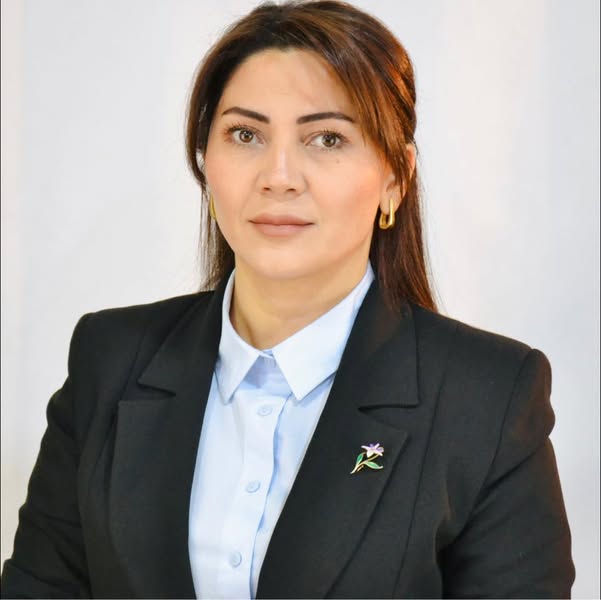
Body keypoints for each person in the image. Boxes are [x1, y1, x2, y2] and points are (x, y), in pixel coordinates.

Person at [1, 1, 575, 598]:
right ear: (205, 163)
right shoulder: (110, 359)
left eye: (326, 138)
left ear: (395, 178)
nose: (278, 176)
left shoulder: (488, 397)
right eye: (245, 134)